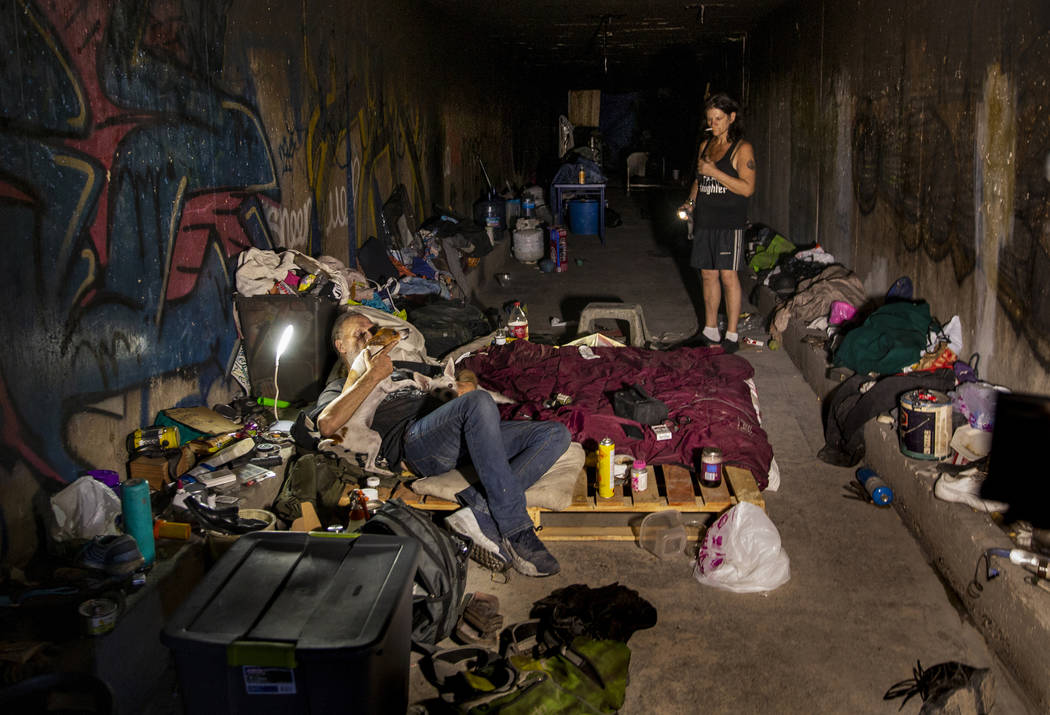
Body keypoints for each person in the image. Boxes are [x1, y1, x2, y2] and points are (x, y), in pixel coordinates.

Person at [312, 311, 570, 577]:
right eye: (359, 334)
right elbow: (327, 424)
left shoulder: (400, 370)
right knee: (479, 404)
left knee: (555, 434)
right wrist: (371, 376)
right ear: (340, 346)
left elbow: (458, 371)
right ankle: (517, 530)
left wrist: (466, 383)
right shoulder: (339, 388)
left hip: (463, 433)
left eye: (371, 331)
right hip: (416, 443)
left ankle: (477, 511)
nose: (368, 338)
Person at [678, 93, 756, 353]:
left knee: (727, 275)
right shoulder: (705, 145)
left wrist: (715, 172)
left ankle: (731, 334)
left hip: (729, 222)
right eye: (710, 119)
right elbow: (700, 180)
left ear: (732, 118)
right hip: (705, 220)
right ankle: (710, 330)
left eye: (719, 119)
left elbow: (746, 189)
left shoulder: (742, 148)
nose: (714, 123)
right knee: (707, 274)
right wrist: (690, 203)